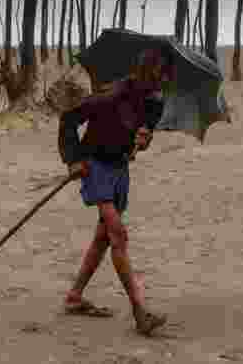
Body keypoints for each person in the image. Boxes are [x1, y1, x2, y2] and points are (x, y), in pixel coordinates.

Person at [57, 46, 174, 336]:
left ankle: (74, 296)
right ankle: (140, 312)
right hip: (94, 166)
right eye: (157, 75)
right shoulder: (109, 96)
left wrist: (144, 139)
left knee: (103, 238)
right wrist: (73, 161)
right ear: (144, 73)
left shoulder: (155, 102)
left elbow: (142, 135)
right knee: (118, 234)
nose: (160, 82)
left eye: (163, 77)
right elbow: (69, 119)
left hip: (120, 170)